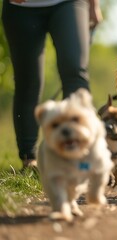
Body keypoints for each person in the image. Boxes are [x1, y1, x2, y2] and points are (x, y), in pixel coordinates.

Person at [2, 0, 102, 169]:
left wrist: (94, 5)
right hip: (21, 8)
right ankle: (29, 158)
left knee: (74, 71)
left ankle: (81, 157)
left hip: (68, 3)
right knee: (27, 81)